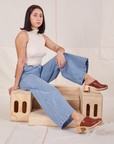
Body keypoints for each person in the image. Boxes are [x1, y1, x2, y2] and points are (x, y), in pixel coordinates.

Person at [8, 4, 108, 134]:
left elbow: (60, 48)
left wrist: (59, 52)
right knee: (50, 89)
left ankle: (87, 78)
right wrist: (16, 84)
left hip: (40, 72)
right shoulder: (23, 35)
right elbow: (21, 61)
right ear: (28, 17)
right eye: (35, 15)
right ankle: (78, 118)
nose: (39, 18)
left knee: (63, 57)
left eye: (41, 15)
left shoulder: (42, 37)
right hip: (26, 76)